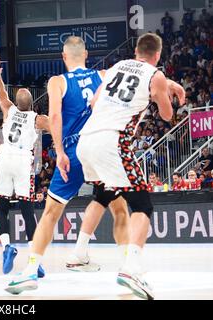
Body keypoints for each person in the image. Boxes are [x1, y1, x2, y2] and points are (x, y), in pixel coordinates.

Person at [6, 36, 130, 295]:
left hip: (73, 150)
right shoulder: (104, 75)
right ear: (86, 53)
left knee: (51, 214)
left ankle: (30, 270)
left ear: (64, 57)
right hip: (98, 147)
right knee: (119, 208)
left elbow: (54, 117)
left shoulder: (57, 82)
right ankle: (129, 268)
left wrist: (60, 151)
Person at [75, 33, 185, 299]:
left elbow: (93, 101)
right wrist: (166, 90)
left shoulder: (115, 66)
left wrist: (163, 84)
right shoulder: (155, 74)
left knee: (104, 193)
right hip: (113, 141)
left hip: (86, 141)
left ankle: (79, 252)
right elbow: (167, 115)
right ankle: (132, 268)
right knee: (143, 204)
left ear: (136, 51)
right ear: (157, 55)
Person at [0, 57, 50, 275]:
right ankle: (35, 260)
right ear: (32, 104)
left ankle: (7, 248)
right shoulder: (37, 119)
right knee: (26, 210)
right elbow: (57, 126)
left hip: (5, 158)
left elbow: (1, 93)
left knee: (2, 207)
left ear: (17, 102)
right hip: (23, 162)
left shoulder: (9, 110)